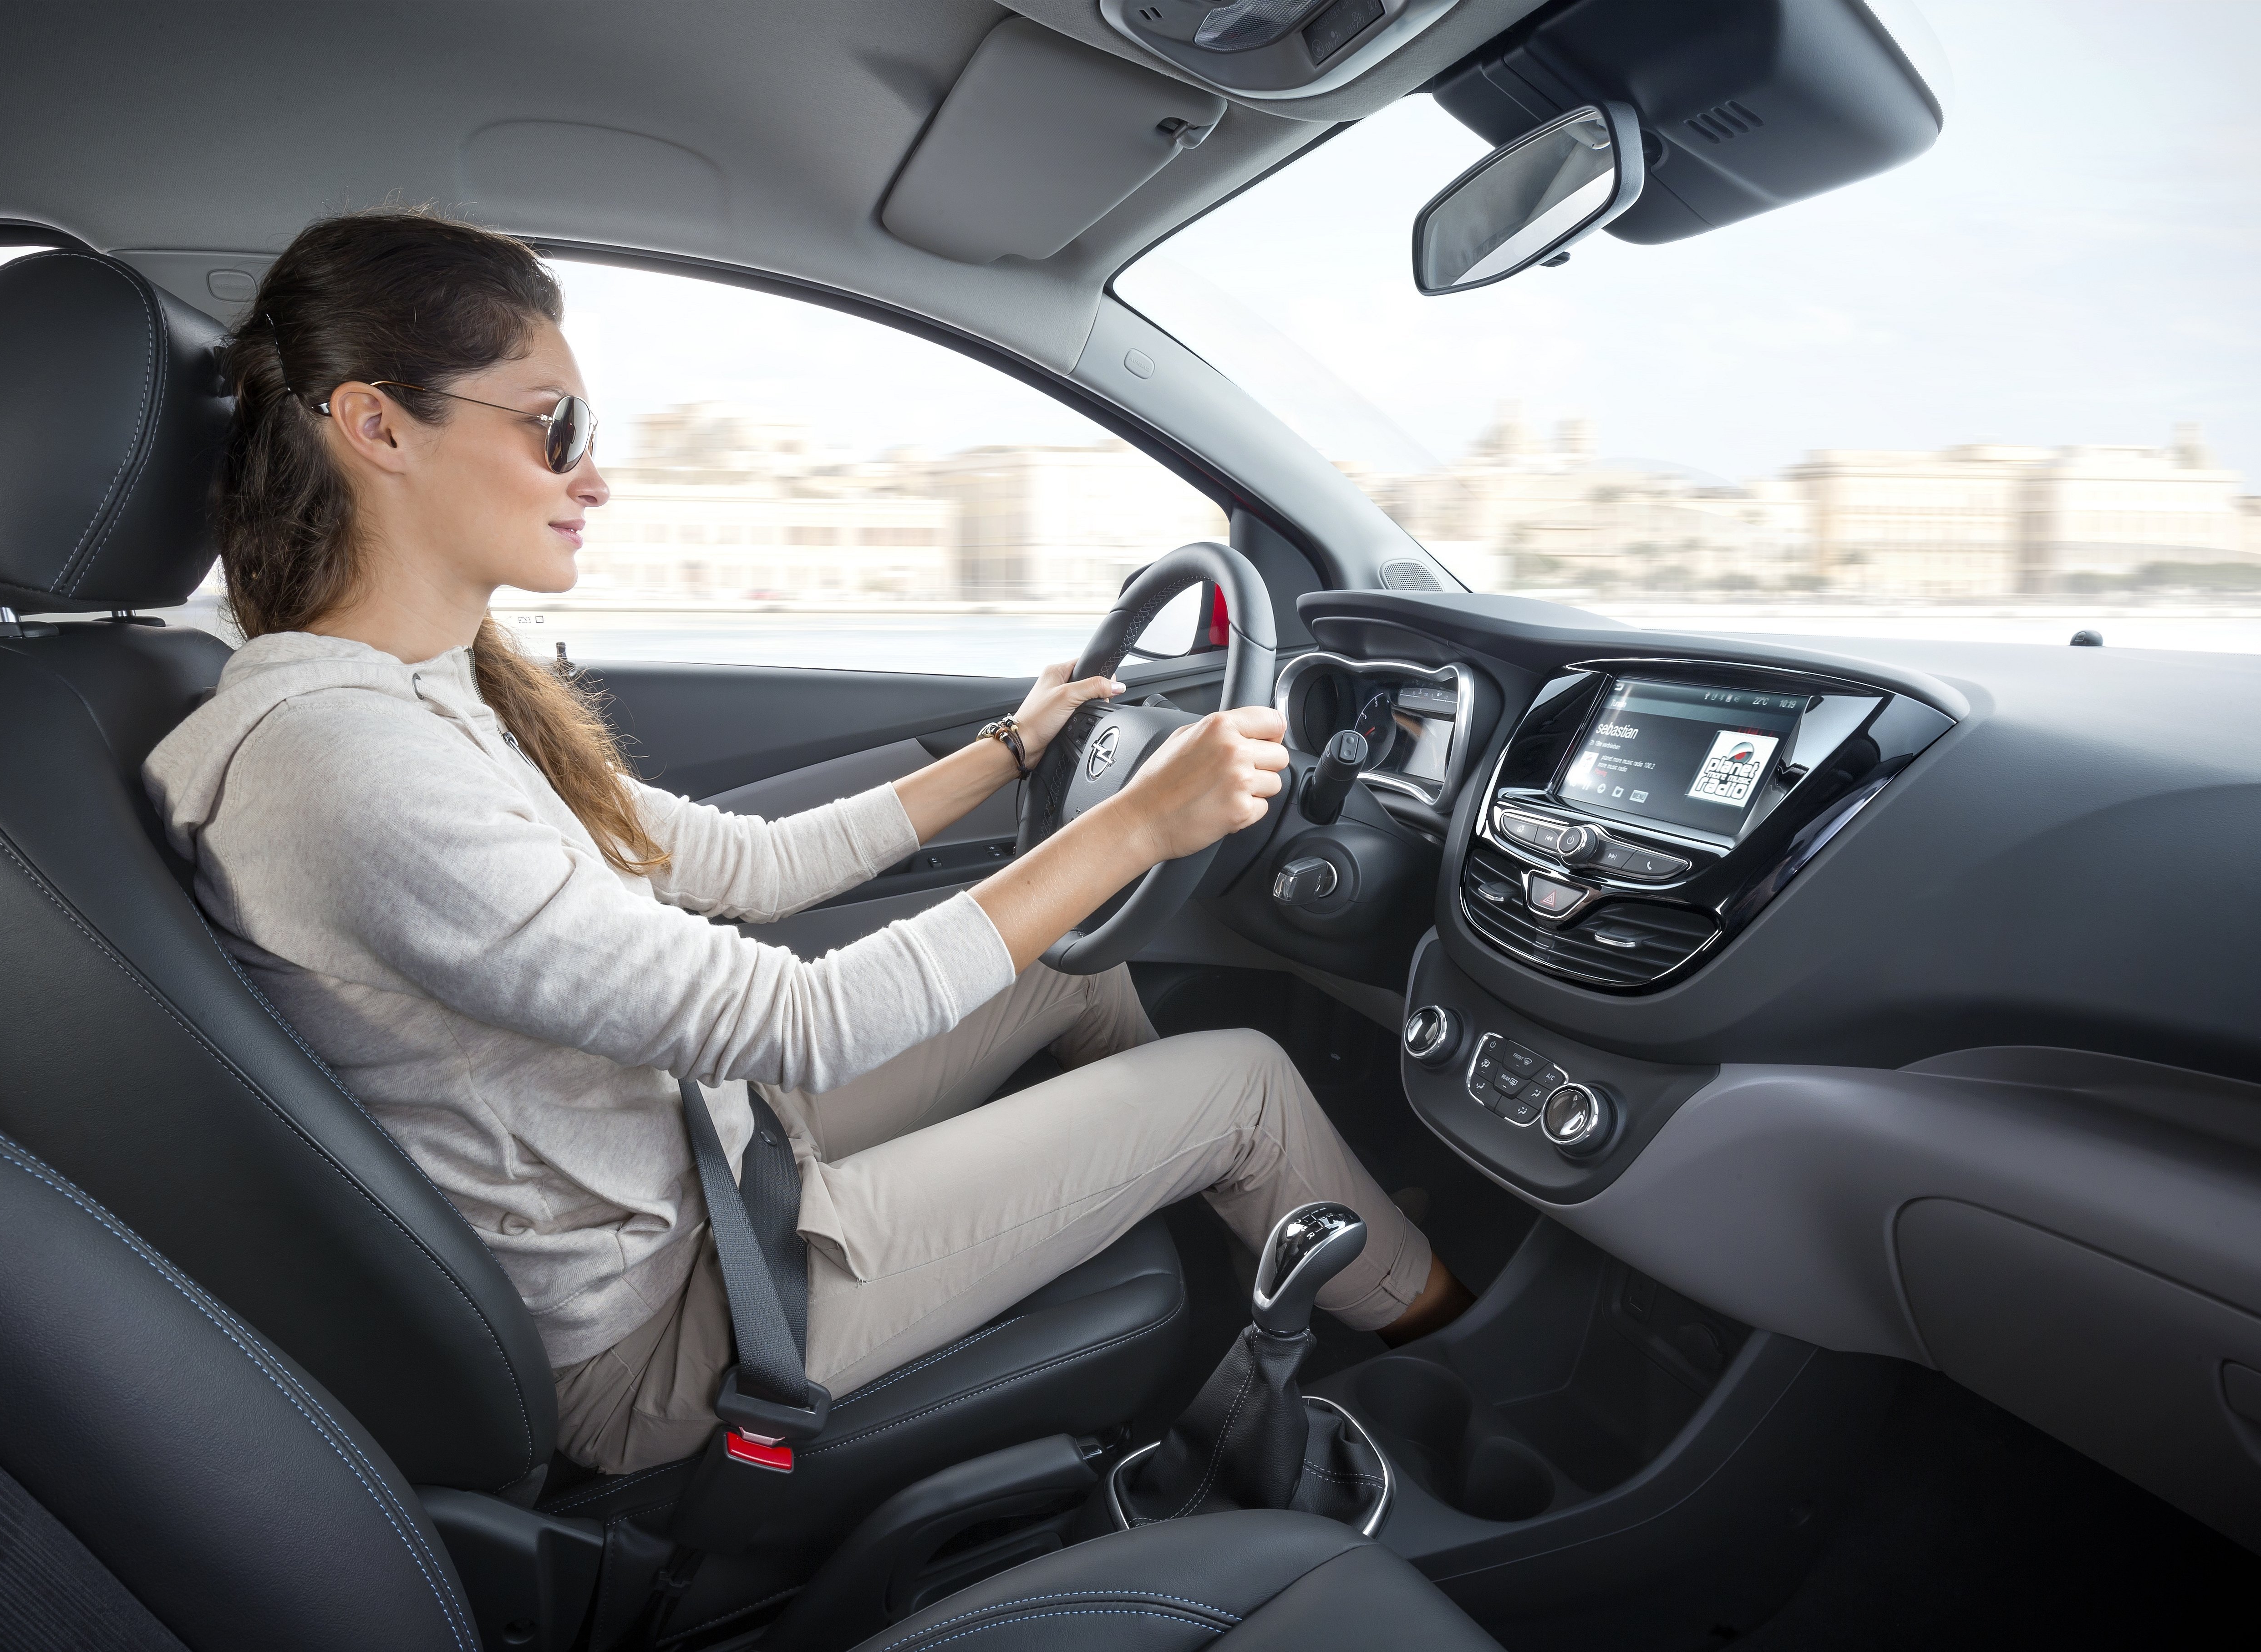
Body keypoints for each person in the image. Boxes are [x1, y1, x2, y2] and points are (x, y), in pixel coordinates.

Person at [146, 208, 1473, 1478]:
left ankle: (1190, 1216)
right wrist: (1138, 822)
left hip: (694, 1162)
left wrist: (1011, 749)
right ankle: (1465, 1377)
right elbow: (803, 1020)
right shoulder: (342, 764)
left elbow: (750, 868)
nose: (593, 475)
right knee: (1235, 1083)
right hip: (669, 1320)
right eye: (556, 425)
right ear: (378, 425)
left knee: (1065, 965)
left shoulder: (423, 695)